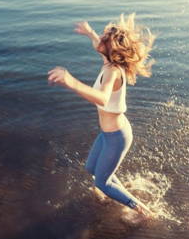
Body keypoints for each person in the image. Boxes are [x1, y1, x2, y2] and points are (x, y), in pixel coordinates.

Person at [47, 13, 156, 219]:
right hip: (108, 134)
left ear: (111, 49)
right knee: (92, 169)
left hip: (117, 137)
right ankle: (117, 188)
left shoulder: (113, 71)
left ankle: (144, 212)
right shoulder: (108, 61)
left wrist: (71, 81)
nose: (102, 38)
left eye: (105, 37)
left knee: (101, 182)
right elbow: (99, 44)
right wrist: (90, 33)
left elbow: (102, 98)